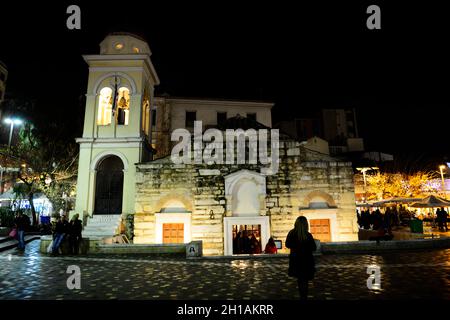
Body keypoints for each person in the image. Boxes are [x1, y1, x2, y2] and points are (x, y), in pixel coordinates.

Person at [285, 216, 317, 300]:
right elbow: (314, 247)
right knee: (305, 280)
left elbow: (287, 244)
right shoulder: (308, 235)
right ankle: (304, 296)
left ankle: (302, 295)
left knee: (300, 279)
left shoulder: (292, 233)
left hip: (296, 260)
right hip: (307, 261)